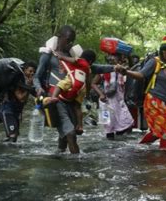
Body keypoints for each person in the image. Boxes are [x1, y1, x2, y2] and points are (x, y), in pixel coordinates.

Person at [33, 25, 113, 154]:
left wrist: (114, 68)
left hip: (72, 99)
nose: (70, 43)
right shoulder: (48, 55)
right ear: (60, 37)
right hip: (56, 98)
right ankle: (76, 167)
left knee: (66, 135)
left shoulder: (72, 56)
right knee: (70, 133)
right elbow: (37, 76)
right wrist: (38, 88)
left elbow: (92, 68)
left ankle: (59, 156)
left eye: (72, 41)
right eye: (68, 39)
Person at [117, 35, 166, 150]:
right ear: (164, 51)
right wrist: (126, 72)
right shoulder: (154, 62)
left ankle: (139, 149)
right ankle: (165, 161)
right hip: (155, 101)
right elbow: (141, 75)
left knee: (157, 132)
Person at [46, 49, 97, 135]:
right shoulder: (88, 69)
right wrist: (87, 94)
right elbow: (88, 83)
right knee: (78, 107)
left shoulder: (81, 61)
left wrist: (62, 57)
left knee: (60, 84)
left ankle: (53, 97)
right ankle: (80, 126)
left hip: (72, 81)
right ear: (91, 61)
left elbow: (73, 60)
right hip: (82, 88)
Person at [92, 53, 135, 139]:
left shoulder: (122, 70)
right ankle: (110, 148)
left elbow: (132, 68)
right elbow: (93, 83)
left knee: (127, 124)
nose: (111, 59)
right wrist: (101, 94)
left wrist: (129, 56)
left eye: (114, 57)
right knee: (108, 128)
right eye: (110, 57)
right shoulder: (103, 70)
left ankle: (120, 147)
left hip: (119, 102)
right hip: (105, 102)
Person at [0, 62, 36, 142]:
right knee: (12, 136)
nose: (32, 73)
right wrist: (29, 87)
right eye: (30, 71)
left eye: (33, 72)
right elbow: (21, 98)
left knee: (14, 137)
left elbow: (30, 97)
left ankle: (6, 151)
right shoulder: (16, 81)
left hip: (17, 112)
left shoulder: (27, 83)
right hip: (7, 111)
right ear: (25, 70)